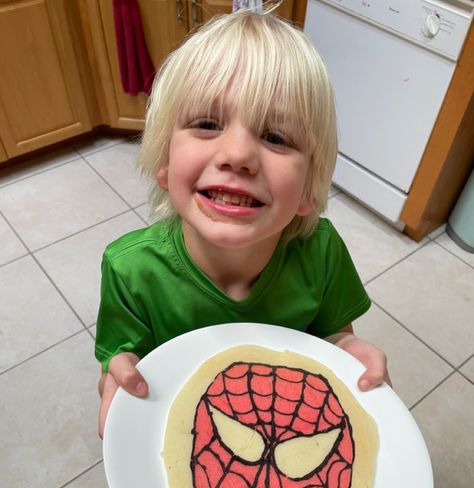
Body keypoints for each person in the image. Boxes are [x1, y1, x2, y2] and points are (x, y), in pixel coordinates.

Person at [95, 10, 390, 438]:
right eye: (207, 124)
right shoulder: (129, 269)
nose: (237, 154)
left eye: (275, 137)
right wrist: (116, 380)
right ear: (163, 163)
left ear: (309, 189)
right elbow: (124, 361)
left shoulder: (321, 251)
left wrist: (349, 352)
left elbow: (334, 338)